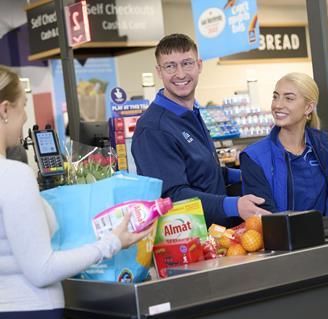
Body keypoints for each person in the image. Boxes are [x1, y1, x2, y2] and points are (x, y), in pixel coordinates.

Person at [0, 65, 150, 318]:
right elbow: (42, 269)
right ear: (5, 109)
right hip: (31, 309)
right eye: (23, 105)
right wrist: (112, 243)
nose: (26, 116)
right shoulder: (13, 175)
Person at [132, 33, 270, 227]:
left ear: (199, 65)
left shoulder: (192, 113)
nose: (180, 74)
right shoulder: (154, 127)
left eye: (187, 63)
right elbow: (172, 196)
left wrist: (248, 174)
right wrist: (233, 205)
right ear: (159, 72)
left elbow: (204, 173)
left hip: (216, 237)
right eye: (170, 66)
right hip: (187, 243)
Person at [240, 72, 328, 215]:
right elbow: (265, 218)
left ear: (308, 107)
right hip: (285, 236)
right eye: (275, 97)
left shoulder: (323, 144)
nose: (278, 105)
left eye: (289, 98)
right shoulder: (254, 157)